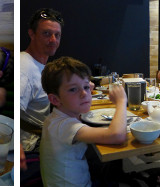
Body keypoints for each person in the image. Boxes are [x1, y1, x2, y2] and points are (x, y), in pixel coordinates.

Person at [39, 57, 128, 186]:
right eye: (73, 89)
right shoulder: (64, 125)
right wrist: (121, 102)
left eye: (86, 87)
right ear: (55, 99)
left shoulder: (55, 118)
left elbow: (79, 95)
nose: (84, 94)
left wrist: (79, 87)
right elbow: (117, 136)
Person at [21, 8, 63, 128]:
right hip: (32, 143)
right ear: (32, 34)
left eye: (57, 35)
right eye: (46, 33)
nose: (53, 40)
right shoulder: (24, 68)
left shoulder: (39, 65)